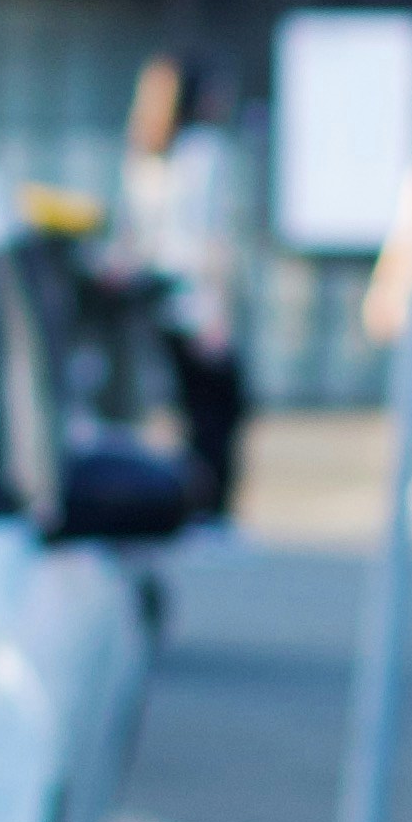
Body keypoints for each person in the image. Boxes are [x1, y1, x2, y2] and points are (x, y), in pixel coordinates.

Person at [121, 53, 250, 517]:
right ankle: (213, 507)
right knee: (220, 411)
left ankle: (195, 504)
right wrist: (218, 314)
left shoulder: (146, 157)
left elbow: (138, 236)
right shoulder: (206, 153)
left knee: (191, 411)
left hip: (163, 295)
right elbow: (213, 237)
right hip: (200, 299)